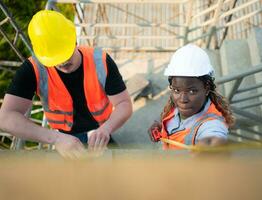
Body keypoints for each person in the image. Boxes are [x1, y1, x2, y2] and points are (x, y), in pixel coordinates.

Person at [0, 10, 132, 158]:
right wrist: (55, 138)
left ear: (74, 40)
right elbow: (5, 118)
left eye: (65, 54)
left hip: (100, 128)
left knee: (115, 160)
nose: (62, 62)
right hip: (65, 135)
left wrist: (107, 129)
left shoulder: (100, 60)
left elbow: (124, 104)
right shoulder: (32, 70)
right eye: (55, 59)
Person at [148, 44, 235, 149]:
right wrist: (158, 124)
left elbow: (214, 137)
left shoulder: (212, 124)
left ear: (206, 88)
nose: (182, 99)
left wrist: (213, 145)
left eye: (192, 91)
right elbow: (169, 115)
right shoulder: (176, 104)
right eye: (176, 90)